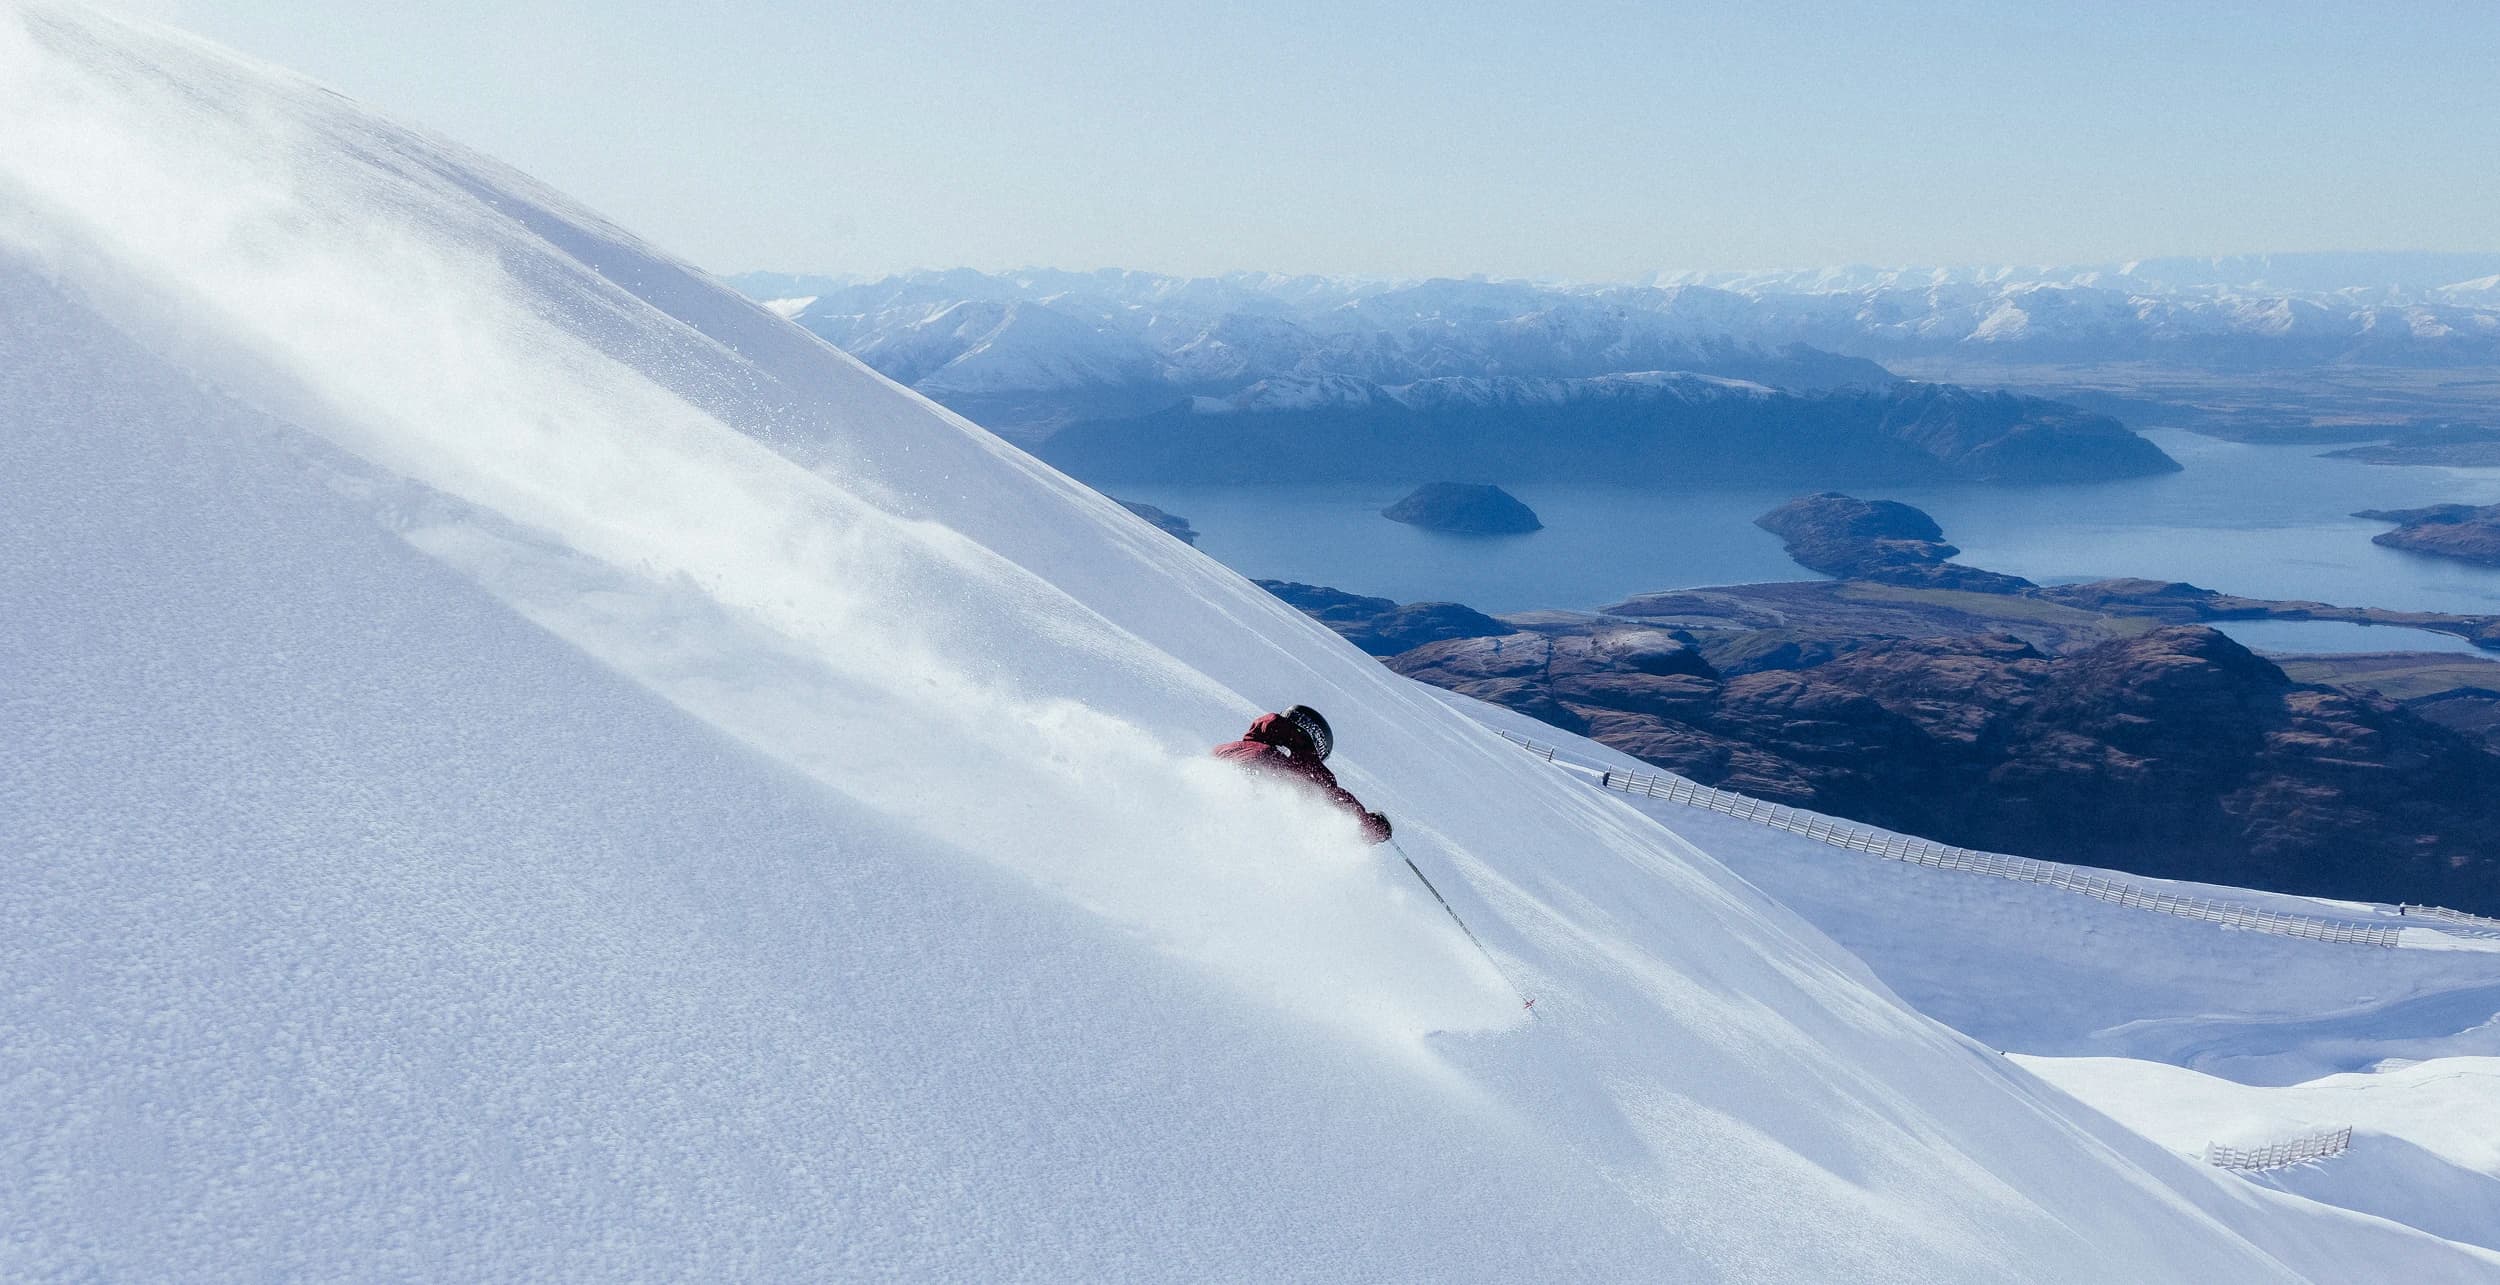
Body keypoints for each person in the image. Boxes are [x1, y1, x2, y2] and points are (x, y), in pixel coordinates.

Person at [1212, 705, 1393, 844]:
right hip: (1253, 823)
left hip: (1219, 814)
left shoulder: (1226, 749)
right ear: (1315, 739)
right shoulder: (1301, 762)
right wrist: (1374, 828)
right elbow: (1335, 800)